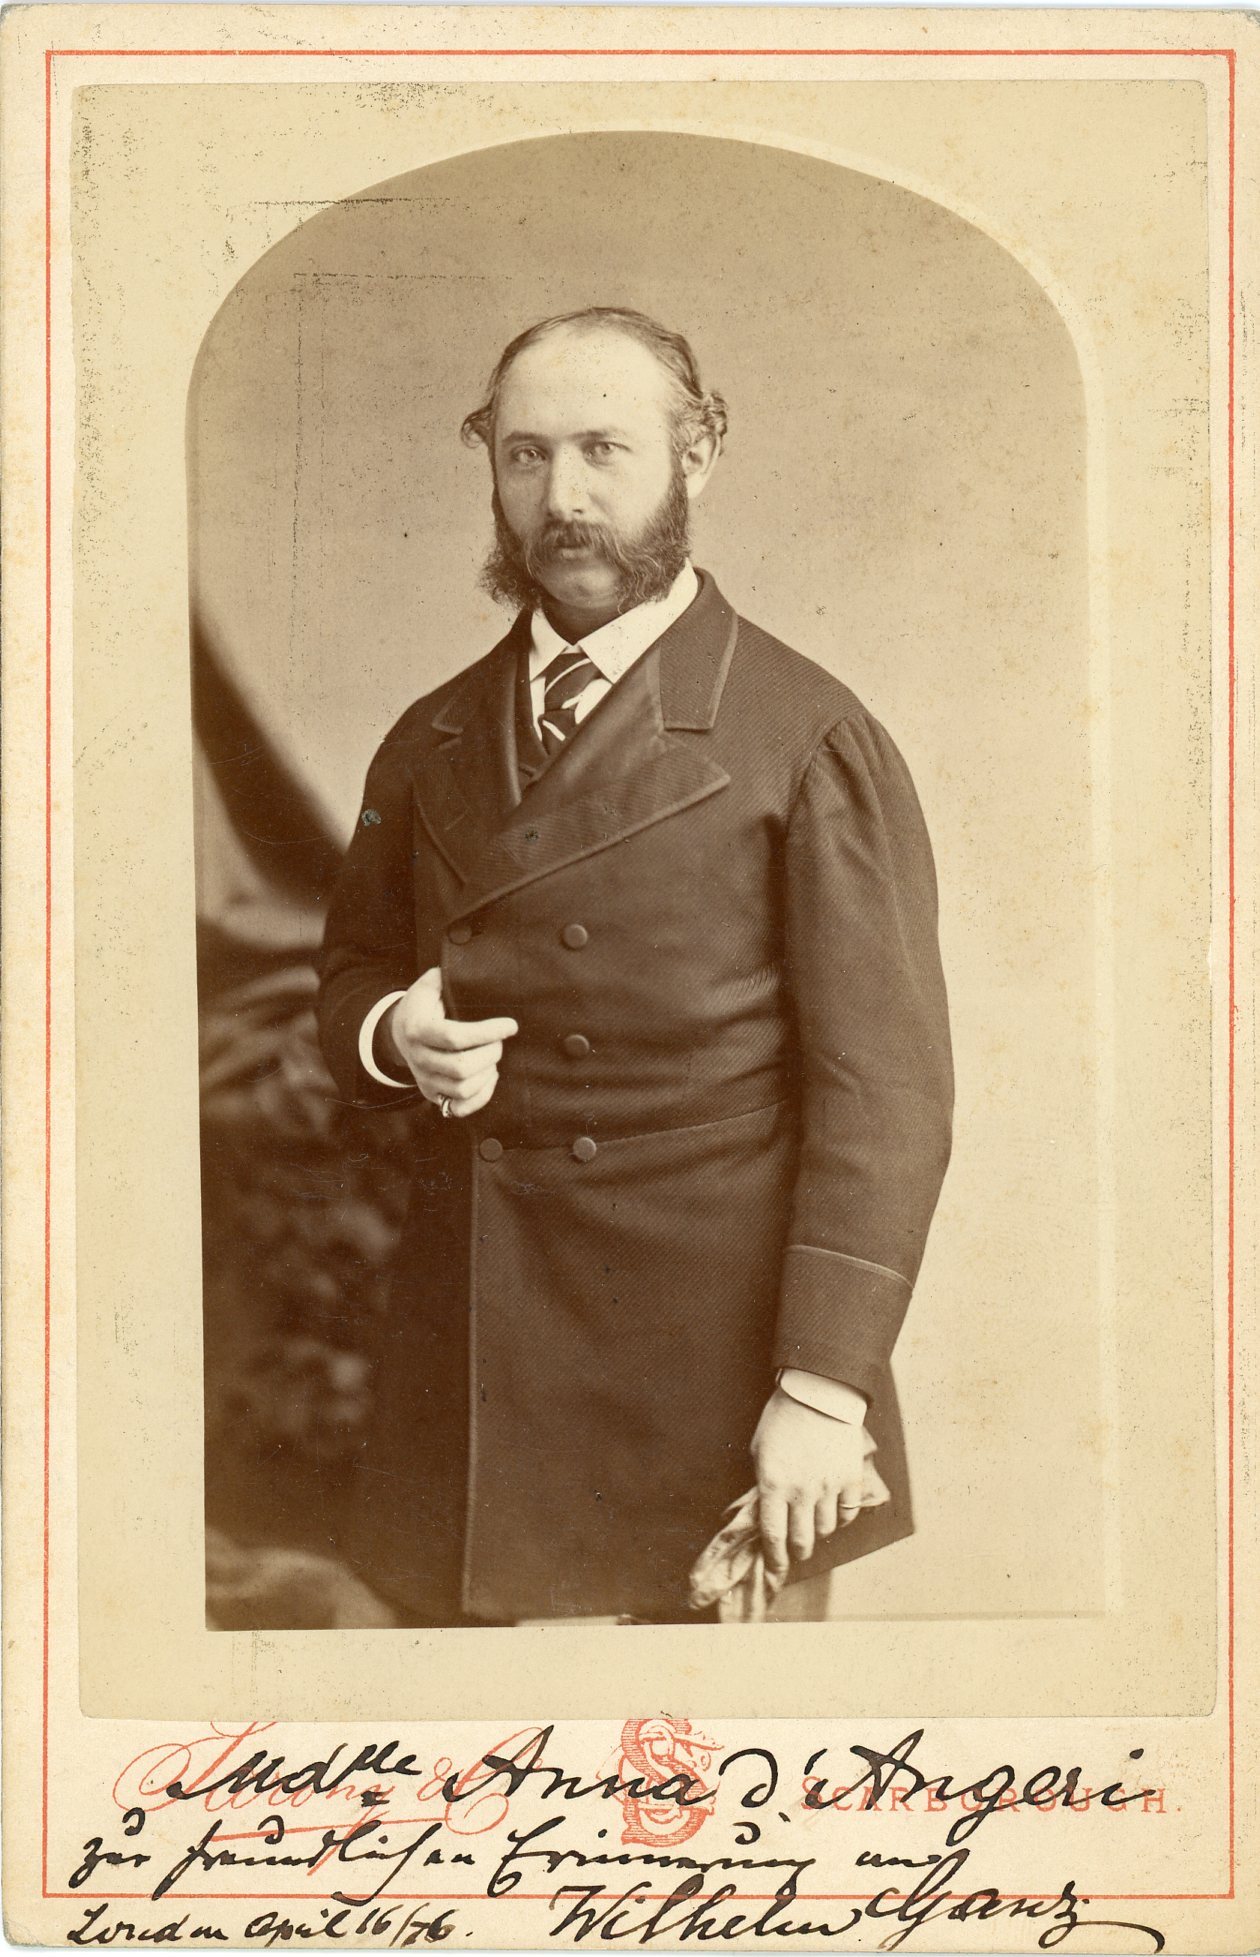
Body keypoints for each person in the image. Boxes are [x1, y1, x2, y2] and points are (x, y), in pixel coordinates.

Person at [317, 307, 953, 1626]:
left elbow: (886, 1100)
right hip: (473, 1372)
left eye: (604, 449)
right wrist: (391, 1032)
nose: (563, 498)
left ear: (698, 454)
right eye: (526, 454)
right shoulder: (430, 736)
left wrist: (823, 1389)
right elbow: (349, 981)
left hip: (713, 1383)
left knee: (700, 1748)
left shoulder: (806, 734)